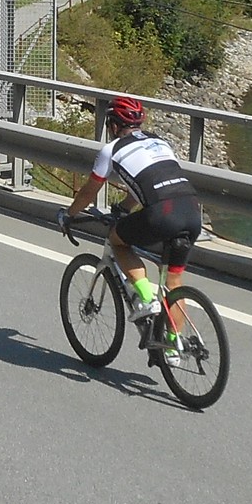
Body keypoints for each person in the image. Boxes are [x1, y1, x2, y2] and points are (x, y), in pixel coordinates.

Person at [63, 96, 204, 350]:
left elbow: (89, 191)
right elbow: (154, 180)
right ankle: (174, 347)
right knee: (174, 282)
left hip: (163, 213)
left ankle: (148, 298)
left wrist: (69, 215)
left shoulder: (112, 149)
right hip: (192, 210)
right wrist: (124, 208)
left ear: (114, 126)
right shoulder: (160, 142)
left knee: (118, 241)